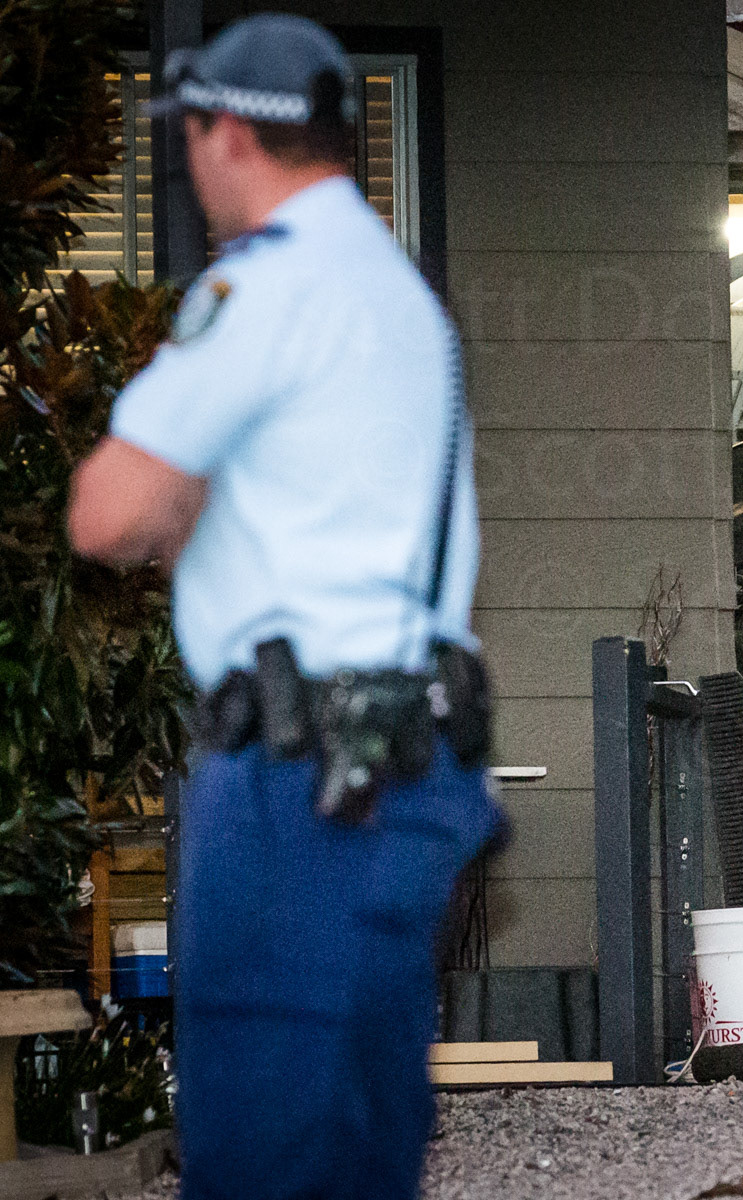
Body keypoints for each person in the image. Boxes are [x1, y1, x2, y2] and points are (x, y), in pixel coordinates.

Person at [67, 15, 499, 1198]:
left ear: (225, 136)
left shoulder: (268, 287)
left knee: (259, 1146)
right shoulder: (399, 294)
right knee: (356, 1150)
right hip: (407, 764)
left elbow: (105, 511)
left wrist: (180, 510)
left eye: (187, 134)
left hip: (296, 782)